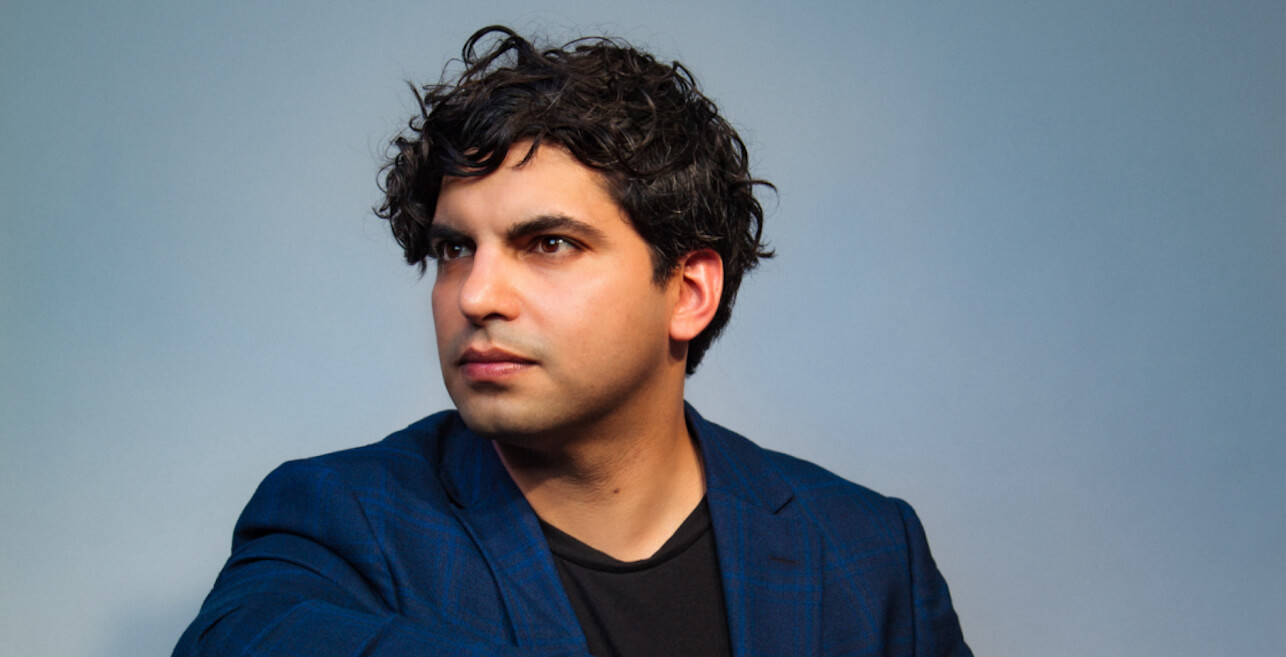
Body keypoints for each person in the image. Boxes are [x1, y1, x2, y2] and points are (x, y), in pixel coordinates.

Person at [173, 25, 972, 657]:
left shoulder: (867, 548)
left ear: (689, 290)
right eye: (457, 249)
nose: (476, 295)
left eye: (548, 243)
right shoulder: (340, 517)